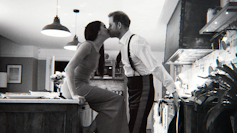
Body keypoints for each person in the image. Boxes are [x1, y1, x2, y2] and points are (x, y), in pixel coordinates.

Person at [107, 11, 179, 133]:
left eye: (110, 25)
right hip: (133, 88)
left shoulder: (136, 42)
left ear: (119, 25)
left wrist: (172, 88)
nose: (109, 28)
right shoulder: (124, 44)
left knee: (136, 127)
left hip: (143, 88)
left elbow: (155, 67)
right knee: (136, 126)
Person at [64, 21, 130, 133]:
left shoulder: (97, 49)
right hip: (75, 87)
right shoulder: (87, 45)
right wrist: (74, 94)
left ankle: (91, 130)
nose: (107, 28)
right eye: (104, 27)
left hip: (80, 85)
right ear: (98, 31)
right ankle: (91, 130)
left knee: (113, 106)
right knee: (118, 100)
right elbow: (68, 68)